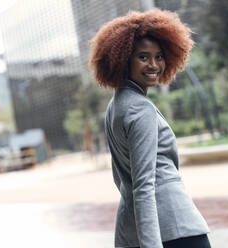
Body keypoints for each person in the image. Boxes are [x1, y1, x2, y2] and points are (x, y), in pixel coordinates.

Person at [88, 9, 210, 248]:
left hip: (137, 228)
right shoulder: (139, 109)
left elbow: (121, 177)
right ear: (124, 59)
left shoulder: (116, 105)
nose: (154, 65)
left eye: (159, 56)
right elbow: (144, 184)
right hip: (174, 228)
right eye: (143, 57)